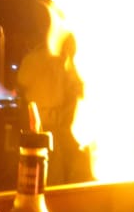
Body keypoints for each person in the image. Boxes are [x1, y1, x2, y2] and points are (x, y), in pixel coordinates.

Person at [17, 32, 89, 184]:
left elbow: (21, 85)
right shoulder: (60, 60)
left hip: (40, 122)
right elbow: (76, 86)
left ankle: (46, 190)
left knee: (45, 165)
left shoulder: (32, 59)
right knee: (55, 167)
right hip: (51, 121)